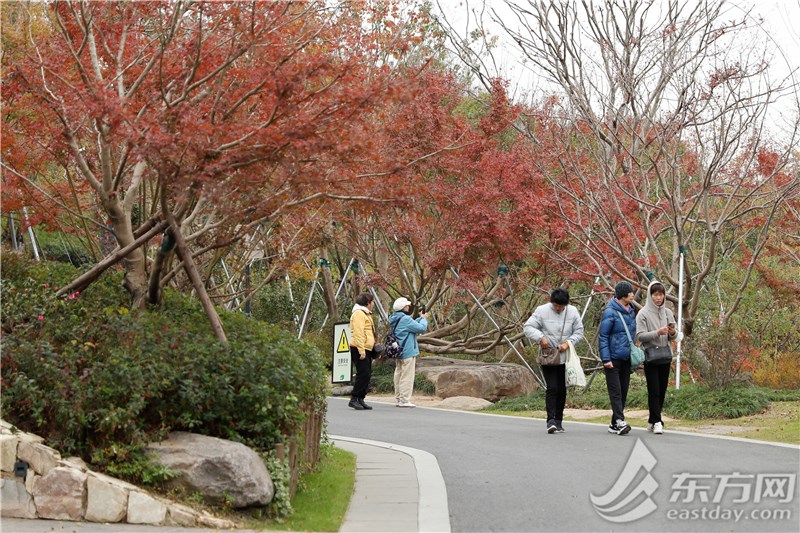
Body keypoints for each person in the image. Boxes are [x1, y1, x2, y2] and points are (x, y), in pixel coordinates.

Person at [523, 288, 585, 433]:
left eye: (561, 307)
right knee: (552, 387)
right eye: (556, 306)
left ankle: (559, 420)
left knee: (562, 389)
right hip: (549, 355)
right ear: (551, 302)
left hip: (565, 356)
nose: (558, 309)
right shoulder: (541, 310)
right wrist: (540, 337)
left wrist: (568, 343)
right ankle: (550, 420)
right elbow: (528, 327)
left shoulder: (573, 311)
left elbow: (579, 331)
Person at [636, 280, 677, 434]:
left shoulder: (668, 312)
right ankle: (658, 421)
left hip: (665, 355)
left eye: (661, 295)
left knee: (663, 388)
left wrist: (672, 332)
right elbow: (640, 336)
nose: (658, 298)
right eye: (655, 295)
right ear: (650, 295)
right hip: (651, 356)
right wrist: (657, 333)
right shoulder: (643, 313)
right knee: (654, 389)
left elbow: (673, 335)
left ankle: (653, 419)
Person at [598, 281, 637, 435]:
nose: (633, 294)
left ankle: (614, 423)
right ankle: (620, 421)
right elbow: (603, 337)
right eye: (630, 292)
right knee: (616, 391)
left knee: (624, 390)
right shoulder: (610, 312)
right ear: (622, 295)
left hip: (626, 358)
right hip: (612, 359)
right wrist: (606, 359)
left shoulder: (631, 311)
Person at [388, 297, 428, 408]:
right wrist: (424, 319)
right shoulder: (405, 319)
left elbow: (412, 325)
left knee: (399, 374)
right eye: (407, 305)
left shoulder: (395, 318)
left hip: (398, 351)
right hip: (408, 351)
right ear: (403, 307)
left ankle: (398, 398)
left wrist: (420, 318)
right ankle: (404, 400)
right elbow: (421, 328)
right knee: (407, 376)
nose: (408, 306)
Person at [349, 293, 377, 411]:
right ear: (368, 302)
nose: (374, 304)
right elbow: (358, 333)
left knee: (367, 374)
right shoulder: (358, 314)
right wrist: (361, 351)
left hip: (367, 348)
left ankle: (361, 398)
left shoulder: (365, 314)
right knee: (363, 374)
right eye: (373, 301)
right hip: (360, 348)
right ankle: (354, 398)